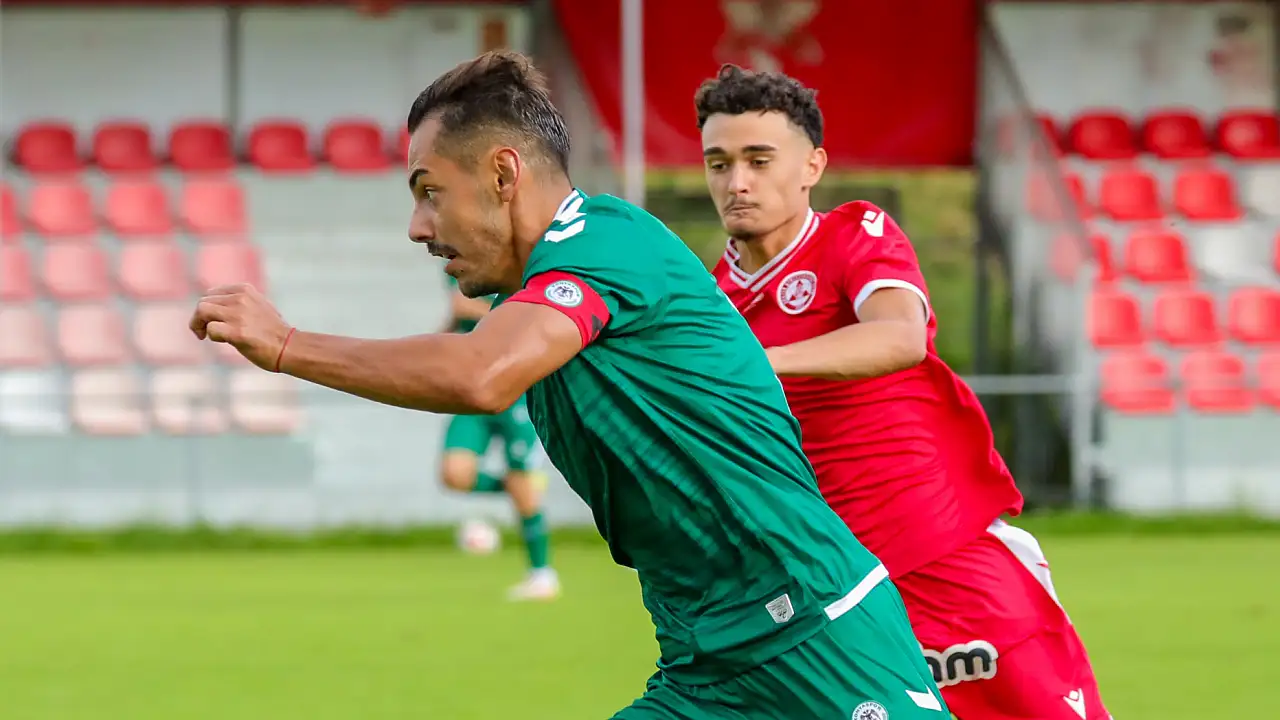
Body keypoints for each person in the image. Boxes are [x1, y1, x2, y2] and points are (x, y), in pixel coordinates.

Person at [189, 50, 947, 720]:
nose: (418, 226)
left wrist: (287, 345)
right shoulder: (530, 298)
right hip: (705, 664)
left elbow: (480, 375)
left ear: (503, 174)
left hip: (813, 635)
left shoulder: (604, 240)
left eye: (430, 192)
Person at [697, 64, 1111, 720]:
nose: (736, 181)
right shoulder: (712, 301)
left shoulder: (853, 235)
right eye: (718, 163)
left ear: (812, 166)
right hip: (831, 585)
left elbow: (899, 336)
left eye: (759, 159)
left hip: (941, 550)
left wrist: (760, 364)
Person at [439, 270, 558, 601]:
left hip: (516, 390)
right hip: (472, 390)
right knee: (455, 474)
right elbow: (460, 315)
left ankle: (542, 575)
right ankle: (517, 485)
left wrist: (484, 313)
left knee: (523, 484)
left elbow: (530, 319)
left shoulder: (520, 266)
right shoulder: (454, 264)